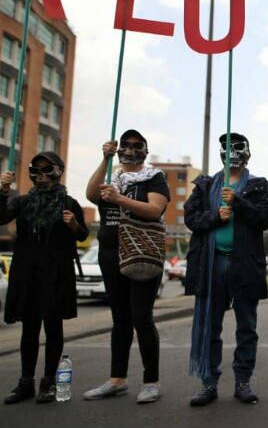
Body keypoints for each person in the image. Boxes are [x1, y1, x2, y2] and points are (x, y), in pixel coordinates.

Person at [183, 133, 268, 406]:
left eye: (237, 146)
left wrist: (238, 202)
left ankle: (243, 380)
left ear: (248, 153)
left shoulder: (258, 185)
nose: (231, 151)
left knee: (246, 326)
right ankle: (208, 382)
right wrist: (215, 215)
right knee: (210, 327)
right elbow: (190, 218)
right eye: (226, 146)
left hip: (245, 265)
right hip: (210, 266)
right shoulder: (205, 184)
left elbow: (265, 218)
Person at [83, 130, 169, 404]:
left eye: (137, 146)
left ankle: (151, 381)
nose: (130, 150)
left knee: (141, 317)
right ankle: (117, 379)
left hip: (141, 252)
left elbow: (155, 209)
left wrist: (119, 199)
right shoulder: (111, 176)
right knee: (120, 319)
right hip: (110, 253)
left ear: (145, 150)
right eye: (125, 145)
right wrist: (105, 160)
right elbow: (90, 194)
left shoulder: (154, 177)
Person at [0, 152, 88, 404]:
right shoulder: (23, 202)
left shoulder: (69, 203)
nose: (40, 176)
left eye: (47, 170)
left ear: (59, 171)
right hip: (27, 269)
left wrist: (73, 226)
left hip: (56, 271)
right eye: (35, 170)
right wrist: (3, 190)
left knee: (53, 326)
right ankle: (26, 382)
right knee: (30, 326)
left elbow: (82, 235)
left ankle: (48, 381)